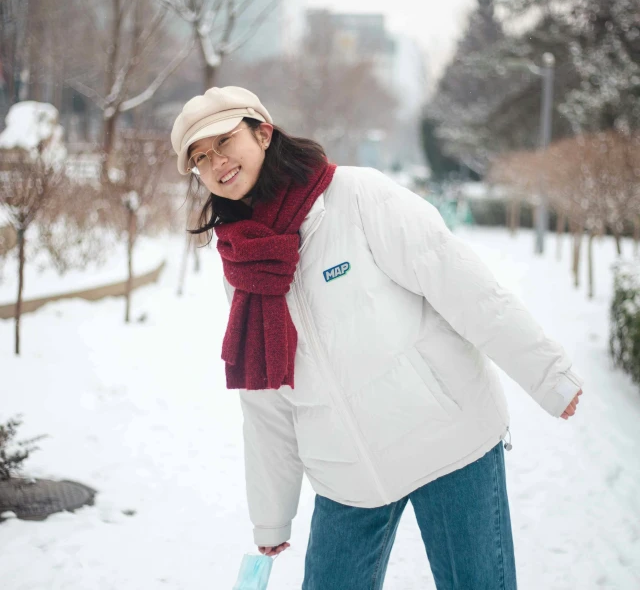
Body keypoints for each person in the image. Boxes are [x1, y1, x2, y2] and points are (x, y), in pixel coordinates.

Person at [170, 86, 584, 590]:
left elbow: (463, 285)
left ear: (263, 132)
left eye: (223, 141)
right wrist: (271, 516)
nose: (216, 163)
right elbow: (264, 397)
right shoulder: (241, 264)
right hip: (347, 476)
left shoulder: (356, 197)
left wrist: (547, 375)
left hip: (448, 443)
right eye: (200, 158)